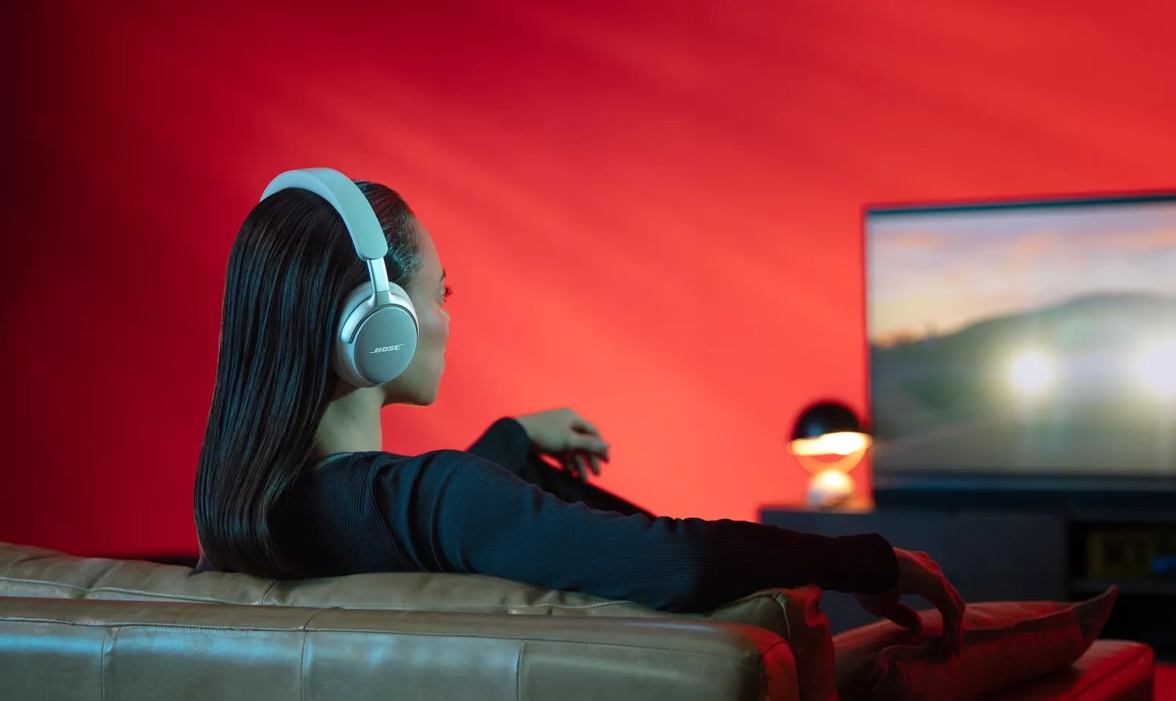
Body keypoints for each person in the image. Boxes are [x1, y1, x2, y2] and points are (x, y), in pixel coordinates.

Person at [194, 170, 965, 653]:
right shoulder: (429, 501)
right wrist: (865, 559)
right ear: (379, 326)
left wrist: (511, 439)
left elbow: (416, 518)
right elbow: (676, 562)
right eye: (441, 292)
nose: (449, 317)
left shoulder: (241, 517)